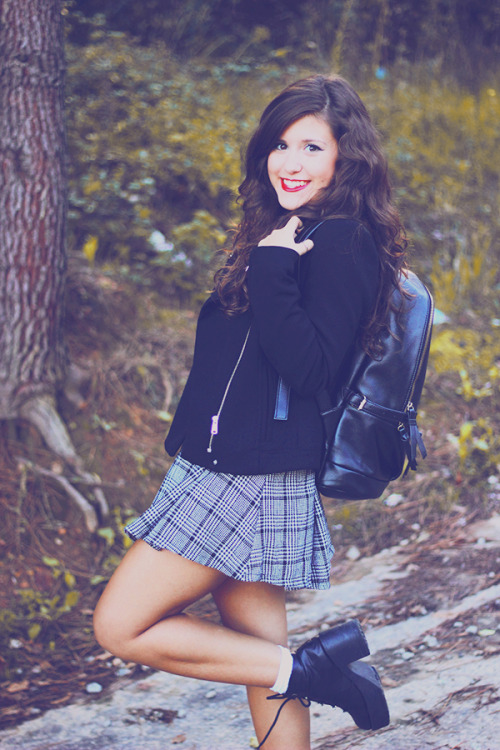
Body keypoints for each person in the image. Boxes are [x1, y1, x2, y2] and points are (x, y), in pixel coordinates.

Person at [94, 74, 407, 749]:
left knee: (120, 625)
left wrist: (271, 271)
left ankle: (318, 669)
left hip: (245, 477)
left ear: (346, 159)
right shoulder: (290, 230)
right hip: (227, 462)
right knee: (258, 662)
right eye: (281, 144)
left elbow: (314, 372)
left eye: (312, 148)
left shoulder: (343, 242)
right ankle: (304, 672)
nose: (291, 162)